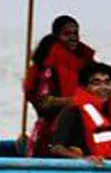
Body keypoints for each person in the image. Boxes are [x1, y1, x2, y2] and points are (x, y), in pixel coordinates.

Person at [24, 15, 96, 157]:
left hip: (80, 130)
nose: (73, 37)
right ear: (57, 36)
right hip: (51, 133)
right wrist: (78, 101)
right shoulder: (48, 65)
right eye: (67, 34)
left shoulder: (85, 62)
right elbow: (44, 102)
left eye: (75, 33)